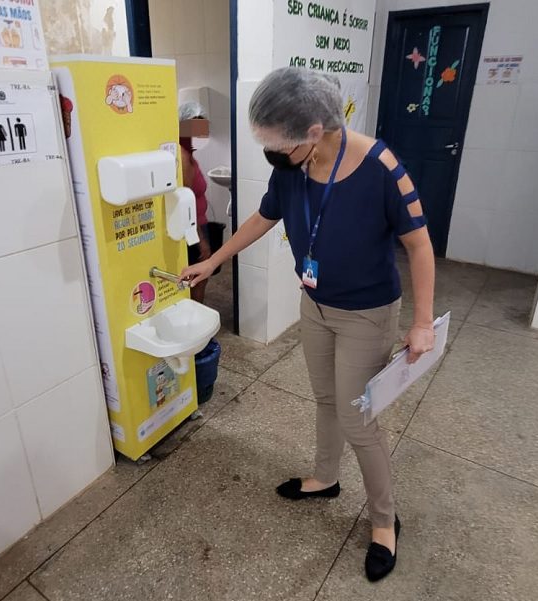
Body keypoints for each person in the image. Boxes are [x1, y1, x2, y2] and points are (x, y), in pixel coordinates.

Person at [180, 68, 436, 582]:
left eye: (279, 147)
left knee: (358, 418)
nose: (273, 157)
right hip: (315, 305)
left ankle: (385, 522)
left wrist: (423, 321)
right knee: (325, 399)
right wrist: (215, 261)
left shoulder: (382, 166)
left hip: (366, 312)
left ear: (315, 131)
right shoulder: (293, 165)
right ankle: (325, 477)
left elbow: (419, 244)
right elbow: (264, 216)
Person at [179, 102, 212, 303]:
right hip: (192, 230)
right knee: (197, 280)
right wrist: (201, 240)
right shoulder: (182, 157)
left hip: (198, 225)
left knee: (199, 279)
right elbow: (185, 204)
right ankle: (197, 328)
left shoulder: (190, 155)